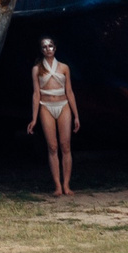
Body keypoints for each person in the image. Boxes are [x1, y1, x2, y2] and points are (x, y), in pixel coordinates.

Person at [23, 37, 80, 197]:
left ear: (55, 48)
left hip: (63, 106)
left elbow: (69, 91)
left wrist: (76, 115)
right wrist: (33, 119)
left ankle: (66, 184)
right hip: (46, 106)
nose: (48, 49)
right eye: (44, 47)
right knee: (52, 147)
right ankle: (57, 186)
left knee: (65, 146)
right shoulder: (37, 69)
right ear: (41, 50)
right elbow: (36, 94)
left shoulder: (64, 68)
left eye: (50, 46)